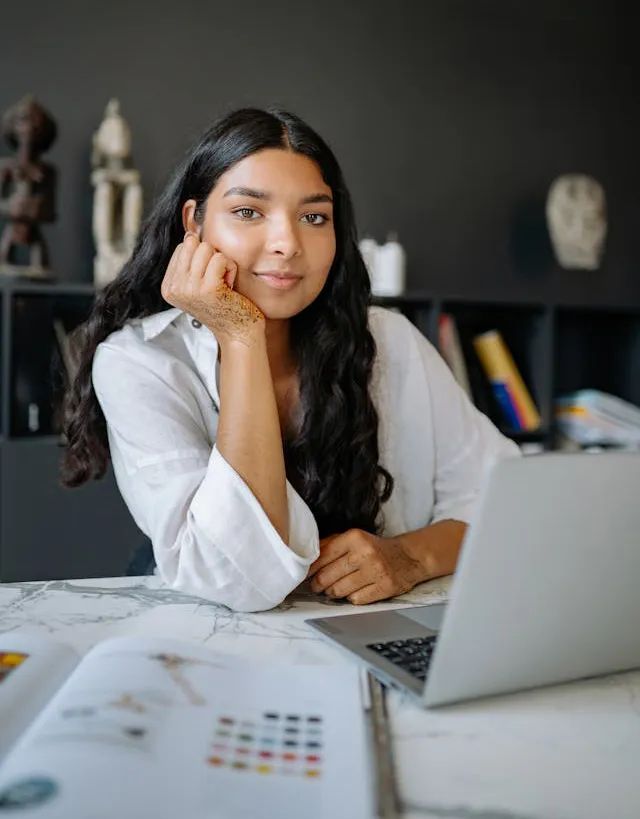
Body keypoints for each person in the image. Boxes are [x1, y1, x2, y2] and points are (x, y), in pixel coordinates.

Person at [61, 107, 518, 613]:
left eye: (314, 217)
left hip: (368, 633)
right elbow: (237, 580)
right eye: (248, 212)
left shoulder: (389, 341)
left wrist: (408, 557)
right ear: (194, 223)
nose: (286, 244)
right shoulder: (139, 362)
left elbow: (504, 502)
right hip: (206, 637)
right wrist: (240, 336)